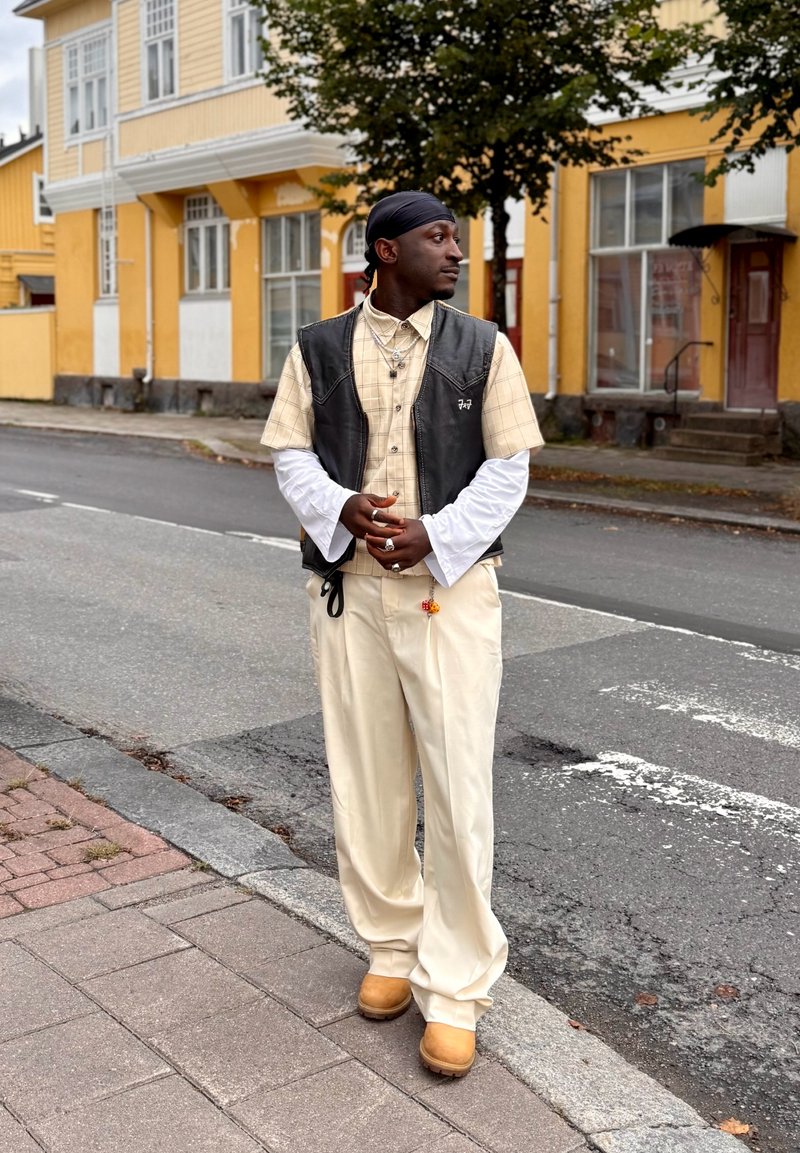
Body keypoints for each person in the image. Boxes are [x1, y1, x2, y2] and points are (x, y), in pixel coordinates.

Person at [262, 190, 543, 1077]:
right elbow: (289, 451)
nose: (455, 250)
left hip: (449, 596)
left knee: (458, 788)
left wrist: (439, 534)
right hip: (348, 592)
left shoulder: (484, 347)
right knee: (368, 777)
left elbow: (511, 467)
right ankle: (389, 944)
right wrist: (338, 507)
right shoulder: (316, 350)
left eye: (457, 236)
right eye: (437, 236)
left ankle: (455, 988)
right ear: (386, 252)